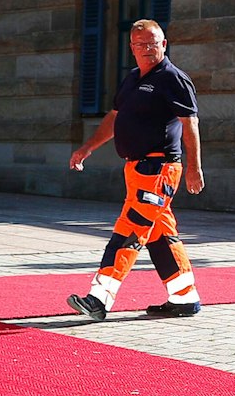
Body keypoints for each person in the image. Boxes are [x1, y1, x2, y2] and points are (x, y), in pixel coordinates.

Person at [66, 19, 206, 320]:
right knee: (160, 234)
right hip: (136, 170)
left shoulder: (173, 78)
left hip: (159, 170)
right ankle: (184, 296)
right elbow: (114, 118)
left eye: (153, 43)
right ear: (132, 48)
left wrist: (194, 167)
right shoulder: (131, 79)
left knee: (130, 228)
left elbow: (190, 123)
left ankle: (99, 297)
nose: (147, 49)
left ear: (164, 44)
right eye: (141, 44)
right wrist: (87, 147)